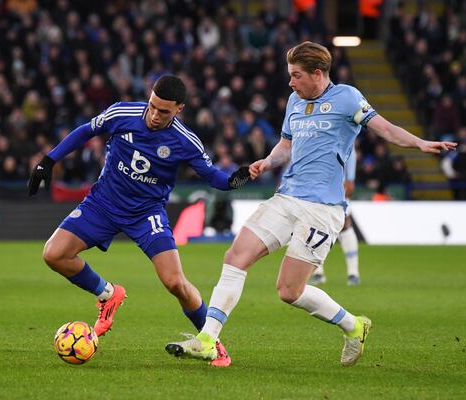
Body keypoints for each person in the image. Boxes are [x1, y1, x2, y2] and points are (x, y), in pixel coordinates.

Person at [165, 41, 456, 367]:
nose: (290, 82)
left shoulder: (347, 97)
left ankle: (353, 325)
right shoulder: (294, 101)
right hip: (286, 197)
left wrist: (419, 143)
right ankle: (208, 339)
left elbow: (385, 128)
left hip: (323, 208)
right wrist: (269, 161)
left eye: (296, 75)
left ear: (317, 74)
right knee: (235, 256)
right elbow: (286, 145)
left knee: (289, 291)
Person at [28, 75, 250, 367]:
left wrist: (234, 180)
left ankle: (212, 343)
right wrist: (49, 160)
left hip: (147, 213)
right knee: (54, 254)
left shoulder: (185, 141)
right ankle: (108, 293)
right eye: (153, 106)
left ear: (179, 109)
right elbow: (85, 131)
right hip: (102, 203)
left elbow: (213, 177)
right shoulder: (123, 113)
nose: (155, 115)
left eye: (164, 111)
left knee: (175, 283)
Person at [310, 146, 360, 286]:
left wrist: (350, 178)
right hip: (312, 183)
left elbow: (350, 148)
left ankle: (353, 273)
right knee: (312, 224)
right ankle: (317, 272)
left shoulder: (335, 125)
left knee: (344, 223)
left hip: (337, 182)